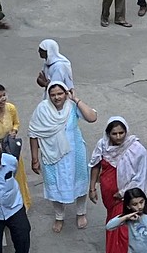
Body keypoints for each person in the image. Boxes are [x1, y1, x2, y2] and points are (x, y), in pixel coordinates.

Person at [91, 119, 147, 253]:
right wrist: (92, 188)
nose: (118, 137)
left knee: (122, 229)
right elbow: (95, 165)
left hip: (126, 197)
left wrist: (123, 193)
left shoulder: (136, 149)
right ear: (108, 134)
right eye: (114, 133)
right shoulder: (102, 145)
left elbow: (142, 174)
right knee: (113, 224)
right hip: (108, 196)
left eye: (121, 133)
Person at [27, 82, 97, 231]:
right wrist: (34, 159)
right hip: (51, 155)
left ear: (66, 93)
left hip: (74, 153)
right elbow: (33, 134)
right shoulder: (42, 110)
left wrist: (76, 99)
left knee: (79, 182)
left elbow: (92, 117)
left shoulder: (72, 107)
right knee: (54, 185)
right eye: (53, 95)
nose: (57, 97)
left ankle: (81, 212)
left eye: (60, 93)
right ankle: (59, 216)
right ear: (48, 95)